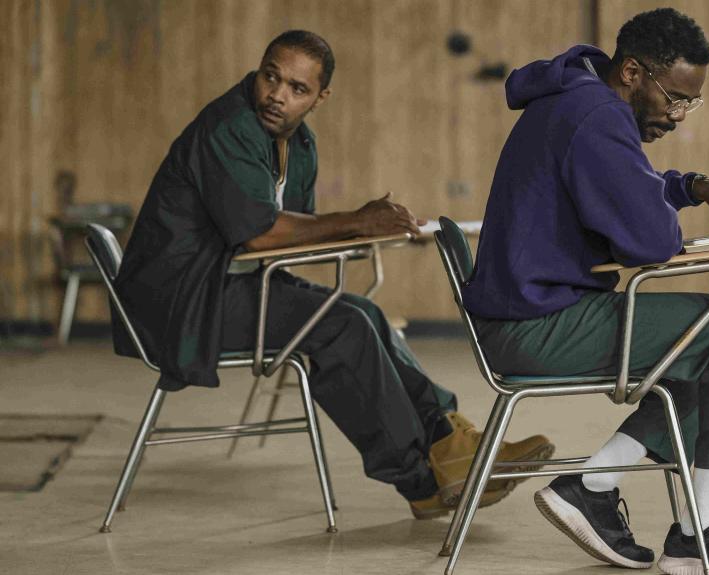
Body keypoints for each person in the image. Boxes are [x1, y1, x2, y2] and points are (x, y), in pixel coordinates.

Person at [113, 29, 553, 519]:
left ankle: (452, 440)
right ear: (258, 71)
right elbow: (259, 236)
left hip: (228, 281)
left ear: (320, 97)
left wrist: (370, 227)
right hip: (180, 299)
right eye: (271, 77)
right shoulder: (229, 128)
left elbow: (298, 234)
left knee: (362, 311)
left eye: (297, 89)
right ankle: (421, 480)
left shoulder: (298, 142)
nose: (278, 94)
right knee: (338, 326)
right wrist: (356, 221)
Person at [464, 8, 709, 575]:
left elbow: (626, 189)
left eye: (689, 103)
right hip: (537, 325)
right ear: (631, 73)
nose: (677, 115)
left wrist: (695, 187)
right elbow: (648, 239)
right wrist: (668, 209)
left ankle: (594, 486)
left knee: (703, 343)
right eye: (674, 97)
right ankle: (700, 530)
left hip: (528, 311)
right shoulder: (595, 116)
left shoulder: (575, 97)